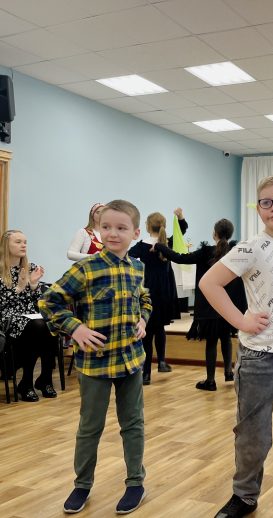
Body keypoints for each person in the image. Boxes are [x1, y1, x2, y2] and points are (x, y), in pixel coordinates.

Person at [200, 175, 273, 518]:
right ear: (259, 209)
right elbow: (209, 283)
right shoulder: (251, 248)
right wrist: (241, 321)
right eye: (266, 202)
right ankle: (245, 496)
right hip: (258, 359)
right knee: (253, 436)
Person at [39, 200, 152, 514]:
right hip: (94, 363)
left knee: (133, 424)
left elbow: (144, 298)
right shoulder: (85, 268)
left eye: (121, 228)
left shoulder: (137, 267)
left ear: (135, 233)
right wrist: (75, 328)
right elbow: (49, 301)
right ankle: (82, 485)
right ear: (98, 229)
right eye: (106, 227)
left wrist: (143, 319)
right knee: (90, 427)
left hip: (130, 360)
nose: (113, 233)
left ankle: (136, 482)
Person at [153, 218, 248, 391]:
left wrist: (160, 246)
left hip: (209, 304)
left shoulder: (206, 252)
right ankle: (229, 373)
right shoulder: (235, 252)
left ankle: (210, 381)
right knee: (226, 338)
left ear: (214, 234)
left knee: (211, 341)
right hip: (229, 305)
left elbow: (180, 258)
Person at [128, 209, 187, 384]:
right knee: (159, 327)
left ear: (147, 227)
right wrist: (180, 217)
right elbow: (182, 230)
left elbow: (127, 256)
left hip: (148, 289)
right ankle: (161, 361)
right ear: (164, 226)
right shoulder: (167, 243)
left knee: (148, 329)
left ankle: (146, 373)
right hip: (165, 290)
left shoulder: (142, 246)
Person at [0, 230, 57, 401]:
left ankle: (45, 379)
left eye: (25, 242)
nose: (23, 245)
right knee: (37, 326)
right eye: (18, 242)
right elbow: (2, 304)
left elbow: (37, 302)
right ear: (6, 245)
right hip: (7, 317)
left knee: (50, 322)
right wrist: (19, 288)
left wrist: (33, 285)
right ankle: (28, 381)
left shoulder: (30, 268)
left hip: (30, 315)